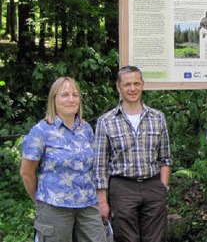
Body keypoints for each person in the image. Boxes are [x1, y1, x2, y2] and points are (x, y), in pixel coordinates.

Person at [20, 77, 108, 242]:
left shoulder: (86, 129)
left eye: (75, 95)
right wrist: (41, 199)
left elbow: (92, 167)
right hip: (55, 207)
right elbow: (26, 172)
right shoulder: (41, 130)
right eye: (65, 95)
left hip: (87, 205)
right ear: (54, 99)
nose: (71, 99)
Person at [94, 66, 172, 242]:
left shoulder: (157, 117)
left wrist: (163, 188)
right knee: (125, 238)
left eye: (136, 83)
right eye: (127, 84)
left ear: (143, 85)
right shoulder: (106, 121)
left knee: (156, 238)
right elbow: (100, 165)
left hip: (153, 185)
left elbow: (165, 158)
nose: (132, 89)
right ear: (118, 87)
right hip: (122, 187)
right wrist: (102, 201)